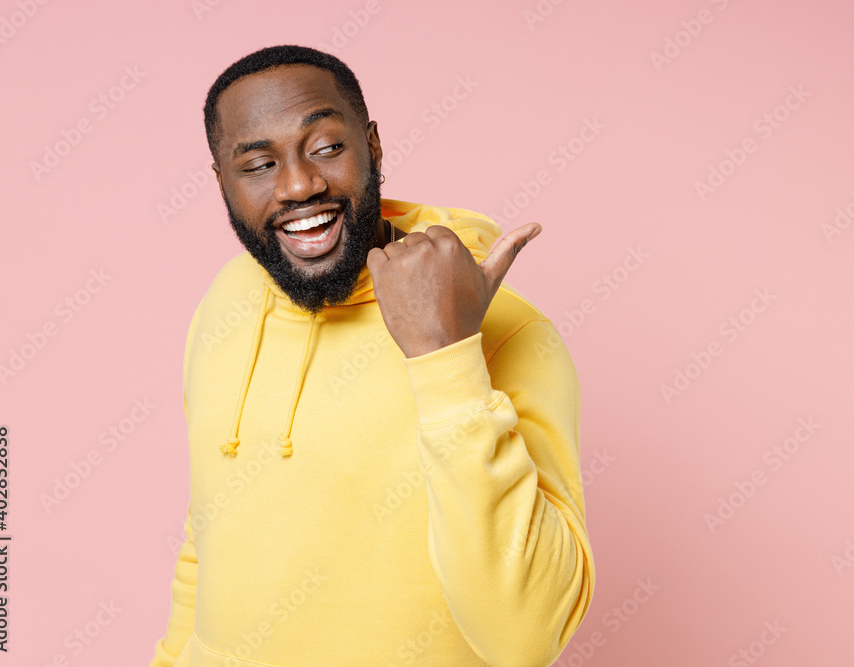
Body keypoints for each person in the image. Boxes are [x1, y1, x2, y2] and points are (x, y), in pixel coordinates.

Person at [149, 44, 595, 667]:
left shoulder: (512, 335)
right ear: (221, 181)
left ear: (373, 146)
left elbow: (524, 638)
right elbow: (210, 537)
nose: (300, 184)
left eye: (326, 147)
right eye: (257, 163)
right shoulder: (228, 298)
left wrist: (447, 359)